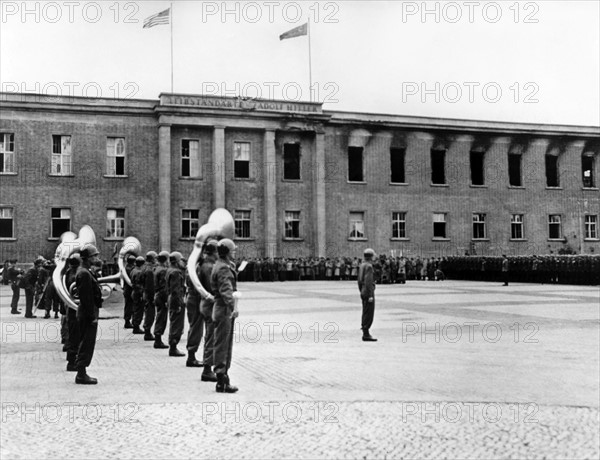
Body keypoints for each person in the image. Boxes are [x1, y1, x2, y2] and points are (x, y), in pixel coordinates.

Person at [211, 238, 239, 393]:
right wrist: (233, 306)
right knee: (223, 345)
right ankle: (222, 381)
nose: (234, 252)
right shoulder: (223, 269)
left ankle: (223, 378)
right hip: (224, 310)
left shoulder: (221, 265)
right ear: (227, 252)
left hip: (221, 309)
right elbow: (226, 291)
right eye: (233, 250)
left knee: (222, 343)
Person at [74, 244, 102, 384]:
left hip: (86, 313)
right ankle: (81, 374)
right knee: (86, 343)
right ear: (87, 258)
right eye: (94, 256)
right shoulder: (84, 273)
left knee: (86, 342)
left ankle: (82, 372)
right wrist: (92, 317)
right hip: (87, 314)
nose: (96, 258)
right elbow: (86, 298)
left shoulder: (85, 271)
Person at [199, 240, 219, 381]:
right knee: (211, 337)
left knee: (210, 336)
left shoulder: (205, 264)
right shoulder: (209, 267)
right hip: (210, 304)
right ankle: (207, 369)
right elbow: (212, 288)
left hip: (206, 303)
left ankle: (208, 366)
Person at [166, 252, 186, 357]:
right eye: (181, 260)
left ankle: (173, 346)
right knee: (176, 324)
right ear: (177, 261)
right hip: (176, 300)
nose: (183, 263)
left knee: (174, 322)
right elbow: (175, 290)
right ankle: (173, 347)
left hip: (172, 299)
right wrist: (178, 304)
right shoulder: (176, 273)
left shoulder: (169, 270)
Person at [65, 254, 81, 371]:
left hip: (71, 307)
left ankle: (72, 359)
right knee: (75, 335)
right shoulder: (74, 275)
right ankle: (72, 362)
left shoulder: (67, 273)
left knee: (73, 334)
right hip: (74, 308)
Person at [358, 248, 377, 342]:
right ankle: (366, 333)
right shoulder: (369, 266)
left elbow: (359, 281)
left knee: (365, 312)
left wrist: (361, 291)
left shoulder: (362, 265)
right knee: (369, 313)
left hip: (363, 291)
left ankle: (365, 331)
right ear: (371, 256)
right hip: (368, 292)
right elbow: (368, 282)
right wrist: (370, 295)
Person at [152, 251, 170, 349]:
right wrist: (166, 299)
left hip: (157, 295)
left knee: (160, 316)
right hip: (161, 296)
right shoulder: (163, 270)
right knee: (161, 318)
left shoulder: (157, 268)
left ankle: (157, 339)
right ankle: (158, 340)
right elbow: (164, 287)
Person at [141, 251, 158, 341]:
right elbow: (150, 285)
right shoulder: (150, 270)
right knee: (150, 314)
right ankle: (147, 332)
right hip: (149, 294)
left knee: (148, 312)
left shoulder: (144, 267)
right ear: (151, 259)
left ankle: (147, 330)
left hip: (145, 293)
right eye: (155, 258)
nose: (156, 260)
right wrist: (152, 297)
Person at [130, 256, 146, 334]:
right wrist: (141, 293)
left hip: (134, 291)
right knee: (139, 310)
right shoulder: (139, 272)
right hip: (138, 293)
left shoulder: (133, 270)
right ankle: (136, 326)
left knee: (135, 309)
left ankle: (135, 324)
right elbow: (138, 284)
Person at [122, 254, 136, 329]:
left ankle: (128, 321)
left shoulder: (126, 268)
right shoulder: (130, 269)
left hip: (127, 289)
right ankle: (128, 321)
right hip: (130, 289)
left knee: (128, 305)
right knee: (130, 306)